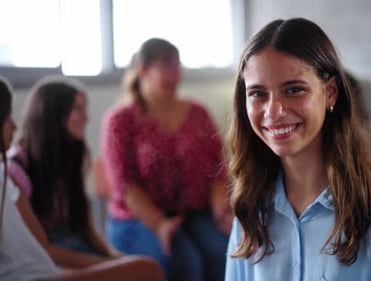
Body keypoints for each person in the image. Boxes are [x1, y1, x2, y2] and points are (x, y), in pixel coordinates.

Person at [224, 17, 371, 281]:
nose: (273, 111)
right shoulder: (252, 209)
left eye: (294, 90)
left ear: (330, 92)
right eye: (257, 93)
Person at [0, 76, 165, 281]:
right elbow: (43, 249)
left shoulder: (73, 158)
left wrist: (115, 257)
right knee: (147, 269)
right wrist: (107, 265)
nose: (86, 117)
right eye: (78, 109)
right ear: (54, 114)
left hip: (76, 248)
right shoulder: (15, 171)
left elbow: (87, 229)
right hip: (53, 259)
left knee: (143, 265)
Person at [100, 38, 231, 281]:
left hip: (193, 213)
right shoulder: (120, 120)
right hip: (139, 218)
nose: (176, 75)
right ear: (143, 71)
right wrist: (159, 224)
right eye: (167, 66)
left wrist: (219, 206)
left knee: (223, 252)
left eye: (178, 66)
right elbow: (124, 186)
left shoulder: (197, 112)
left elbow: (218, 165)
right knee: (183, 262)